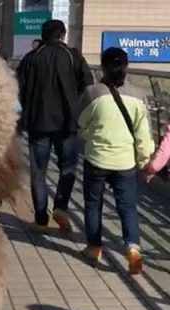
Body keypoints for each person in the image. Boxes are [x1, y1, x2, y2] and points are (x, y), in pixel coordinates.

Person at [77, 47, 154, 274]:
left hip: (97, 158)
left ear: (102, 66)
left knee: (93, 205)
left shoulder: (92, 93)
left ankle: (93, 248)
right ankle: (132, 248)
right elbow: (143, 135)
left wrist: (90, 136)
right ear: (126, 67)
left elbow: (80, 123)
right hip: (125, 163)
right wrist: (144, 161)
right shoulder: (139, 96)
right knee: (127, 207)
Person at [18, 19, 94, 233]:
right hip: (68, 123)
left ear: (43, 35)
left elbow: (18, 90)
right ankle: (60, 206)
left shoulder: (31, 58)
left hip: (37, 122)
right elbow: (88, 86)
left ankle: (41, 218)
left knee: (38, 172)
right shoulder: (74, 56)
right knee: (68, 168)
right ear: (62, 35)